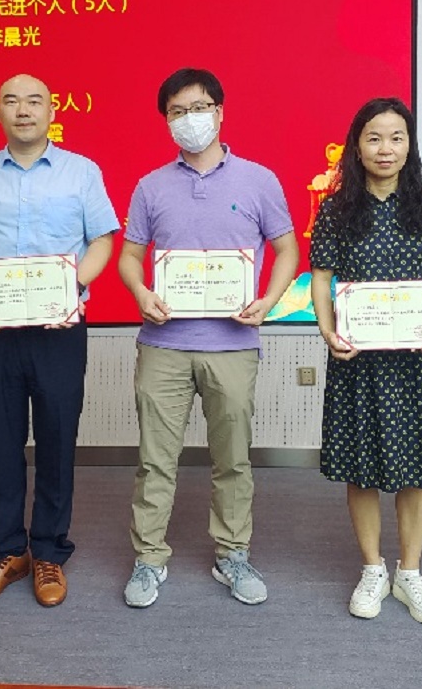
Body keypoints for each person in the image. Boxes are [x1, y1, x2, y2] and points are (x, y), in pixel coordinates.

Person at [118, 67, 299, 608]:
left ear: (219, 112)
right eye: (176, 112)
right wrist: (141, 291)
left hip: (233, 346)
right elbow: (129, 256)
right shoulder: (151, 186)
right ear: (166, 121)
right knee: (155, 460)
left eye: (198, 108)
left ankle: (232, 553)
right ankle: (149, 558)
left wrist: (269, 301)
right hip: (164, 344)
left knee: (233, 460)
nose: (188, 119)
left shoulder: (259, 180)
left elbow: (287, 249)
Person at [0, 73, 118, 608]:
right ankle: (7, 550)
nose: (23, 110)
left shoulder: (81, 171)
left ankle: (48, 551)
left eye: (34, 101)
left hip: (59, 330)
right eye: (11, 101)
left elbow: (103, 241)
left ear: (51, 110)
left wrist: (71, 289)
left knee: (57, 440)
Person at [309, 97, 422, 623]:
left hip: (417, 359)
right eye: (374, 138)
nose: (385, 148)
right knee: (361, 467)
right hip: (358, 359)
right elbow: (322, 279)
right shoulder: (336, 209)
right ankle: (372, 568)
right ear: (357, 146)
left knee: (418, 468)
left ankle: (410, 572)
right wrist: (329, 331)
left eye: (397, 138)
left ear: (409, 146)